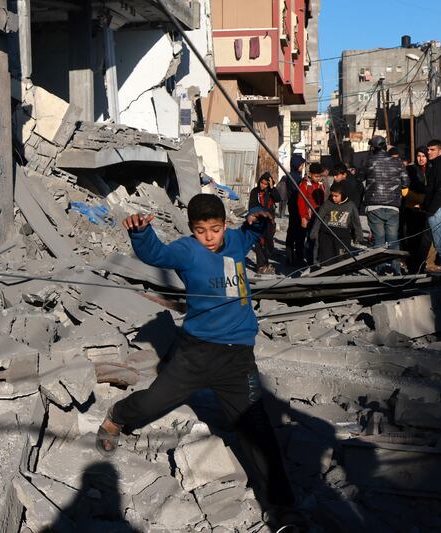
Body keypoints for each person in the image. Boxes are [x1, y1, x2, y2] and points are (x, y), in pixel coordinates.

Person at [95, 194, 301, 530]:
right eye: (201, 230)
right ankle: (118, 415)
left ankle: (283, 507)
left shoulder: (235, 241)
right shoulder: (187, 250)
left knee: (258, 429)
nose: (209, 237)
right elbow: (156, 254)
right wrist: (140, 233)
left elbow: (255, 229)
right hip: (196, 354)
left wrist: (257, 215)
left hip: (238, 358)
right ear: (192, 228)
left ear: (224, 225)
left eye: (215, 229)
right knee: (153, 401)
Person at [360, 135, 409, 275]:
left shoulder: (369, 161)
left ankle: (380, 270)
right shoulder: (397, 162)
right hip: (393, 206)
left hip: (373, 205)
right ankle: (396, 269)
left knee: (379, 240)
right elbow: (406, 182)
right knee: (393, 240)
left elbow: (358, 177)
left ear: (373, 148)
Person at [310, 181, 363, 265]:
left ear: (343, 194)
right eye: (332, 195)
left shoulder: (351, 205)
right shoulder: (327, 204)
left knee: (341, 258)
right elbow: (319, 219)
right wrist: (314, 232)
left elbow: (356, 221)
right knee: (327, 258)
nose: (333, 198)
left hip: (342, 235)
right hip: (327, 234)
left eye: (336, 196)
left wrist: (358, 236)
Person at [422, 139, 441, 273]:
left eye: (432, 150)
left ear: (440, 151)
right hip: (439, 208)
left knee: (440, 244)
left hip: (438, 209)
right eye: (428, 149)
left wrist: (432, 209)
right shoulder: (435, 164)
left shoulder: (440, 164)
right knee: (440, 243)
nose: (429, 152)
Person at [403, 146, 430, 272]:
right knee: (412, 239)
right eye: (419, 156)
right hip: (412, 208)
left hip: (426, 209)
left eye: (423, 156)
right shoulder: (410, 169)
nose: (421, 159)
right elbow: (405, 191)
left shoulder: (431, 169)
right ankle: (412, 266)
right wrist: (421, 199)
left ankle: (421, 265)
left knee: (424, 241)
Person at [248, 173, 281, 274]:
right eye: (262, 183)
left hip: (270, 221)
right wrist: (259, 213)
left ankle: (265, 263)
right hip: (259, 221)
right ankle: (260, 266)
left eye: (265, 184)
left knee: (268, 242)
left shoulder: (271, 191)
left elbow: (278, 199)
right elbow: (252, 206)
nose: (263, 185)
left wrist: (272, 188)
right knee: (259, 242)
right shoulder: (255, 191)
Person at [298, 162, 326, 265]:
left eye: (319, 176)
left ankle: (317, 258)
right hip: (309, 217)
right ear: (310, 174)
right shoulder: (305, 185)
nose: (318, 178)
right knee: (310, 239)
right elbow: (301, 202)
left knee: (318, 239)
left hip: (319, 216)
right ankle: (310, 260)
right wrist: (303, 217)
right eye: (316, 176)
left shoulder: (321, 185)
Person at [282, 154, 306, 266]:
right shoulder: (295, 178)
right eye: (301, 165)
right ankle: (297, 258)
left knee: (292, 232)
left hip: (292, 207)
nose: (302, 167)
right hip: (296, 208)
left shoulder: (292, 176)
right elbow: (297, 193)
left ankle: (290, 257)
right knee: (298, 233)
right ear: (296, 165)